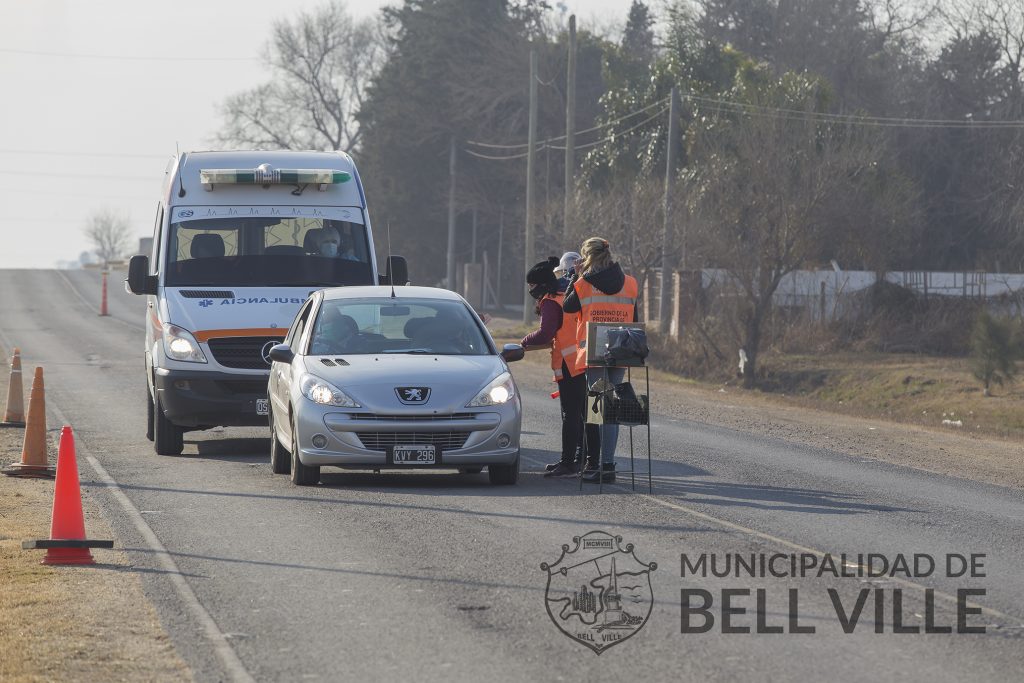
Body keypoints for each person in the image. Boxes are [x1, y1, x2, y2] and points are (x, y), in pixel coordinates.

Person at [562, 237, 638, 484]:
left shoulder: (583, 283)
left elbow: (567, 307)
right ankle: (608, 464)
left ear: (587, 257)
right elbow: (634, 317)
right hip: (621, 348)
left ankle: (597, 465)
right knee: (612, 411)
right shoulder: (630, 283)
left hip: (595, 352)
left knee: (597, 409)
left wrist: (574, 276)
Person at [520, 257, 586, 477]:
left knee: (571, 415)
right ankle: (582, 459)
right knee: (584, 414)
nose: (530, 290)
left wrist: (524, 341)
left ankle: (568, 463)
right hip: (584, 358)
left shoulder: (550, 301)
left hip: (569, 363)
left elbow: (545, 333)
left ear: (540, 284)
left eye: (531, 286)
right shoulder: (567, 294)